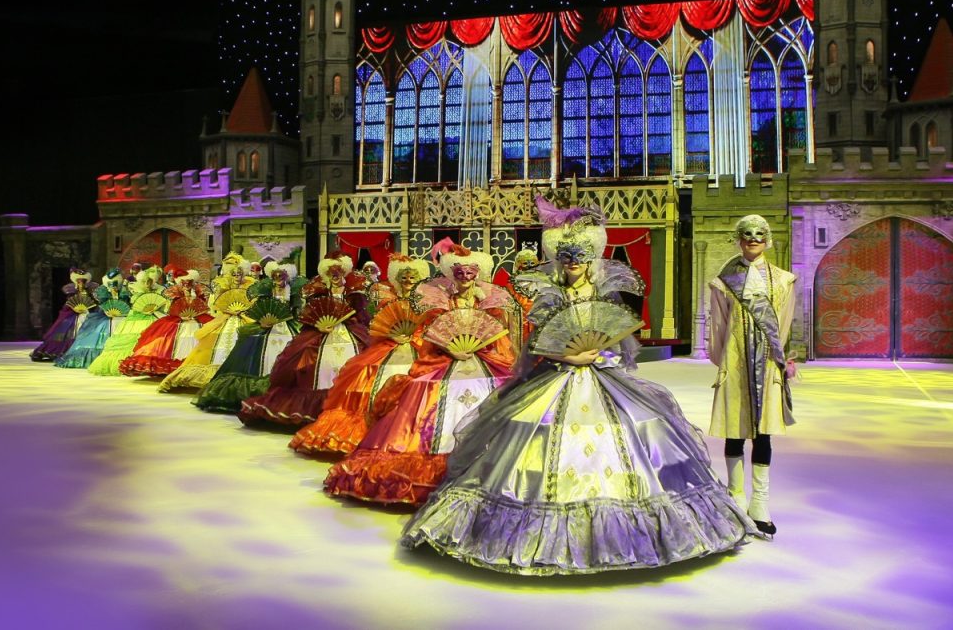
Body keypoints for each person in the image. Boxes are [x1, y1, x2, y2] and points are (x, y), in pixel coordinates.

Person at [400, 197, 760, 574]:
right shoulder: (550, 294)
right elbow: (539, 342)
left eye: (581, 256)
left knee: (630, 435)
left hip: (601, 376)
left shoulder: (604, 294)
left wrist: (599, 353)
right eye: (567, 256)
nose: (573, 262)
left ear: (592, 258)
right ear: (558, 258)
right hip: (559, 376)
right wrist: (569, 357)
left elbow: (618, 340)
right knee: (536, 436)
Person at [324, 242, 516, 506]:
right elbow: (431, 332)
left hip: (481, 361)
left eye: (470, 273)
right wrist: (450, 348)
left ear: (478, 274)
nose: (465, 279)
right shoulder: (440, 301)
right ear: (451, 275)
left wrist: (479, 347)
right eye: (459, 273)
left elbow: (496, 337)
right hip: (446, 358)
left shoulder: (488, 302)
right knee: (423, 395)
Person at [707, 214, 797, 536]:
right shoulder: (723, 282)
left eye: (759, 234)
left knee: (763, 433)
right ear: (739, 239)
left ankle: (759, 502)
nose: (753, 239)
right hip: (734, 363)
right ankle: (736, 497)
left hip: (768, 364)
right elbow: (718, 327)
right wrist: (724, 363)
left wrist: (780, 361)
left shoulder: (783, 281)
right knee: (734, 430)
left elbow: (783, 326)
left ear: (767, 239)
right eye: (747, 234)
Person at [290, 253, 431, 456]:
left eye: (412, 278)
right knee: (362, 372)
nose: (408, 281)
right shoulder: (387, 298)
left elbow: (428, 326)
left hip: (418, 346)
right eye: (404, 277)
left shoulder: (425, 301)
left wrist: (415, 337)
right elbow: (379, 325)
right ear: (396, 278)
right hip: (389, 345)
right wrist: (392, 334)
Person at [237, 251, 370, 429]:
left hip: (348, 332)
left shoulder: (354, 294)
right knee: (304, 357)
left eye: (338, 272)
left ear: (344, 273)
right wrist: (319, 325)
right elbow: (311, 312)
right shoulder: (319, 292)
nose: (335, 276)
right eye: (331, 273)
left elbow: (359, 315)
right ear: (326, 274)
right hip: (321, 331)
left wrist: (347, 320)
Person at [193, 260, 305, 410]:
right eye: (275, 276)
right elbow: (260, 308)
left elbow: (297, 311)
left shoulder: (293, 292)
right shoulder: (266, 290)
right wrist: (262, 321)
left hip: (286, 326)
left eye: (281, 276)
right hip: (266, 326)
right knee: (249, 341)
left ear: (288, 276)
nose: (278, 279)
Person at [157, 255, 255, 392]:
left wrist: (242, 310)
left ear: (243, 273)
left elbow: (252, 302)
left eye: (239, 274)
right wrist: (229, 310)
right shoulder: (223, 285)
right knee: (213, 343)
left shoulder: (250, 285)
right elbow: (219, 304)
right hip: (225, 318)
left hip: (243, 318)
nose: (237, 277)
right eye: (234, 274)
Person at [118, 268, 212, 377]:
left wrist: (196, 312)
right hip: (178, 319)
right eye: (184, 283)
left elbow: (202, 306)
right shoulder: (175, 291)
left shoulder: (198, 291)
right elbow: (171, 308)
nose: (187, 285)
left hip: (197, 319)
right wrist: (180, 315)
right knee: (163, 338)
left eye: (189, 282)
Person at [88, 266, 168, 375]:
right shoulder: (136, 288)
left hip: (154, 317)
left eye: (150, 281)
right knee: (128, 339)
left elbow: (163, 305)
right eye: (145, 281)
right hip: (135, 318)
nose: (147, 284)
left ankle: (146, 365)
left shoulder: (160, 289)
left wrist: (156, 310)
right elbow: (136, 305)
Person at [55, 268, 131, 368]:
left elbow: (125, 305)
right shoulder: (103, 291)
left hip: (121, 317)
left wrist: (118, 300)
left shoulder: (124, 291)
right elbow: (102, 304)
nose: (81, 284)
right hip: (103, 316)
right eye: (79, 282)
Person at [30, 268, 98, 362]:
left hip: (87, 315)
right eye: (79, 281)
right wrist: (75, 309)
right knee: (65, 328)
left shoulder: (90, 292)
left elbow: (93, 304)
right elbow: (69, 304)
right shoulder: (71, 292)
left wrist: (88, 308)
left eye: (83, 281)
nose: (81, 283)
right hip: (72, 315)